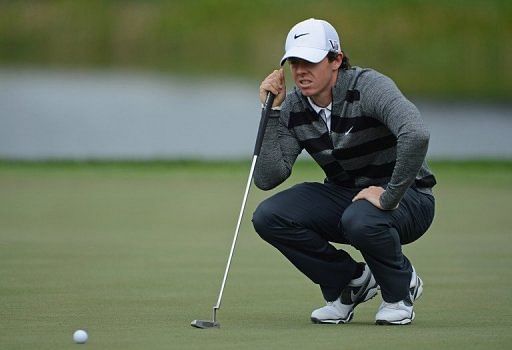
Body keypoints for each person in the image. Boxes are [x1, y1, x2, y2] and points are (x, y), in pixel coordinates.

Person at [252, 18, 436, 325]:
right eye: (294, 62)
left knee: (360, 218)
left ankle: (399, 291)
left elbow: (416, 134)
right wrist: (270, 113)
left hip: (409, 198)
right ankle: (349, 283)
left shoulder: (369, 87)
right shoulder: (294, 105)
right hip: (348, 197)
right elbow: (267, 177)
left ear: (336, 60)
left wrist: (389, 195)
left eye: (310, 61)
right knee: (269, 216)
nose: (300, 71)